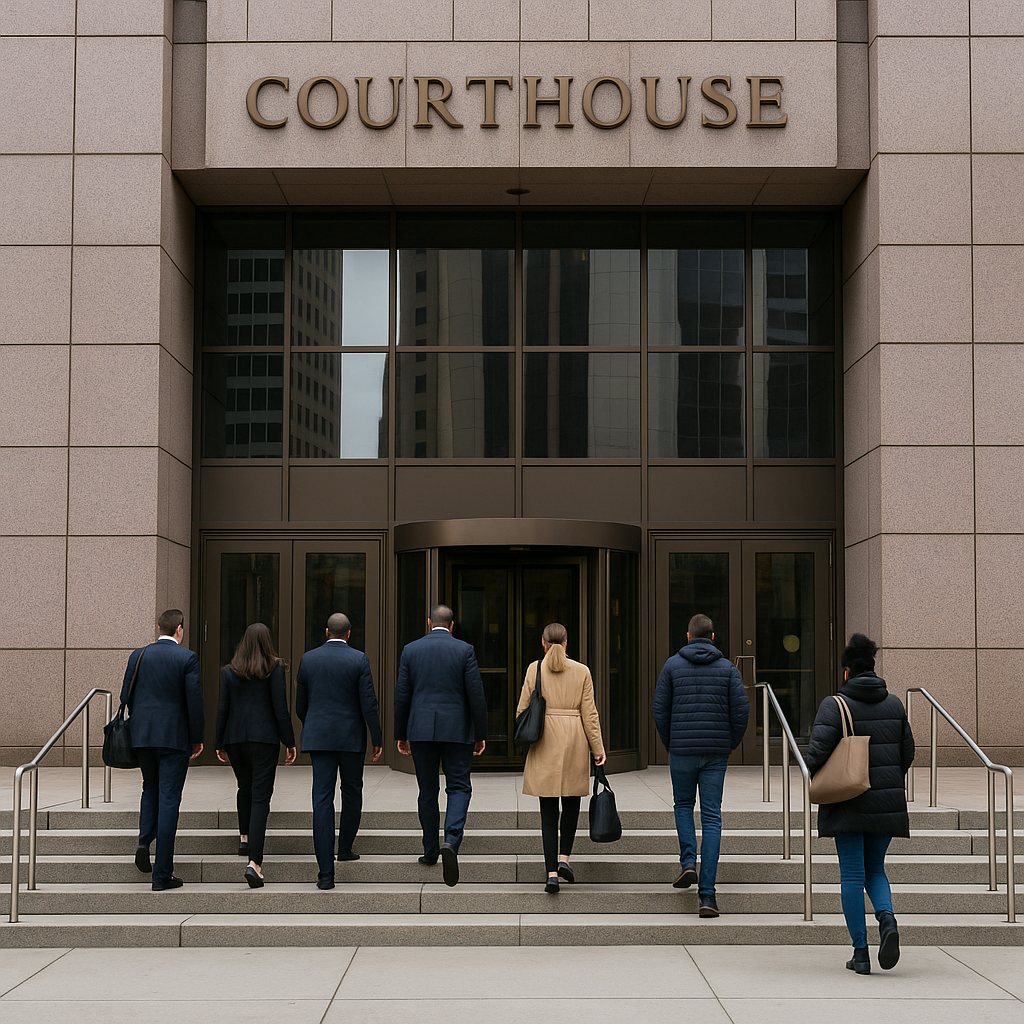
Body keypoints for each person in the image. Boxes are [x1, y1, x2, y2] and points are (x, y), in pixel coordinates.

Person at [805, 633, 915, 975]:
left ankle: (861, 953)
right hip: (885, 803)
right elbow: (907, 753)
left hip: (848, 802)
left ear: (846, 672)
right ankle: (887, 920)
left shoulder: (835, 705)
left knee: (852, 875)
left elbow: (816, 755)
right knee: (876, 870)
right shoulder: (895, 704)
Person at [651, 612, 749, 918]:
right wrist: (728, 743)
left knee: (683, 805)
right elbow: (742, 712)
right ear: (714, 638)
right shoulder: (728, 669)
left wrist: (672, 742)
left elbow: (659, 710)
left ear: (688, 636)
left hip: (681, 750)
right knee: (712, 818)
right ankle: (708, 896)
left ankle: (688, 862)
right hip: (716, 753)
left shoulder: (671, 665)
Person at [394, 604, 487, 887]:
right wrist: (480, 733)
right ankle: (451, 839)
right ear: (452, 625)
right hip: (457, 730)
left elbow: (402, 696)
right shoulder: (464, 650)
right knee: (458, 785)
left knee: (427, 789)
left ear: (428, 623)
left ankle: (430, 849)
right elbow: (476, 694)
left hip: (421, 730)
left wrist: (401, 733)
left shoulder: (411, 650)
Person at [516, 622, 606, 893]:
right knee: (571, 803)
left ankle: (551, 873)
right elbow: (590, 714)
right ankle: (565, 858)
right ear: (566, 643)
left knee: (547, 811)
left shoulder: (535, 668)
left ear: (543, 643)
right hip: (574, 738)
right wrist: (598, 748)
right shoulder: (582, 671)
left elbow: (522, 708)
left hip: (545, 739)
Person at [295, 612, 383, 890]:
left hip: (319, 736)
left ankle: (325, 874)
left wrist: (312, 724)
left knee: (321, 798)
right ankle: (345, 847)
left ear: (326, 631)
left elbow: (300, 704)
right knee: (352, 789)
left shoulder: (308, 659)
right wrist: (376, 737)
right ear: (348, 633)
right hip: (350, 736)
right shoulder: (359, 659)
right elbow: (368, 702)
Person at [121, 608, 204, 891]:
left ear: (159, 627)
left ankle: (144, 840)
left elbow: (124, 695)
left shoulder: (138, 654)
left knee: (150, 787)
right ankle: (162, 874)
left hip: (142, 735)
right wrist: (197, 737)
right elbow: (193, 701)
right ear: (179, 629)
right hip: (174, 737)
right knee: (169, 798)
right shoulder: (187, 657)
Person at [214, 623, 297, 888]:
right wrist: (290, 741)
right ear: (267, 642)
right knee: (261, 797)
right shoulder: (274, 669)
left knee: (244, 788)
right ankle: (254, 864)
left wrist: (219, 742)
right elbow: (280, 708)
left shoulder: (229, 672)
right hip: (264, 740)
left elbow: (222, 709)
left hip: (236, 739)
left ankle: (244, 838)